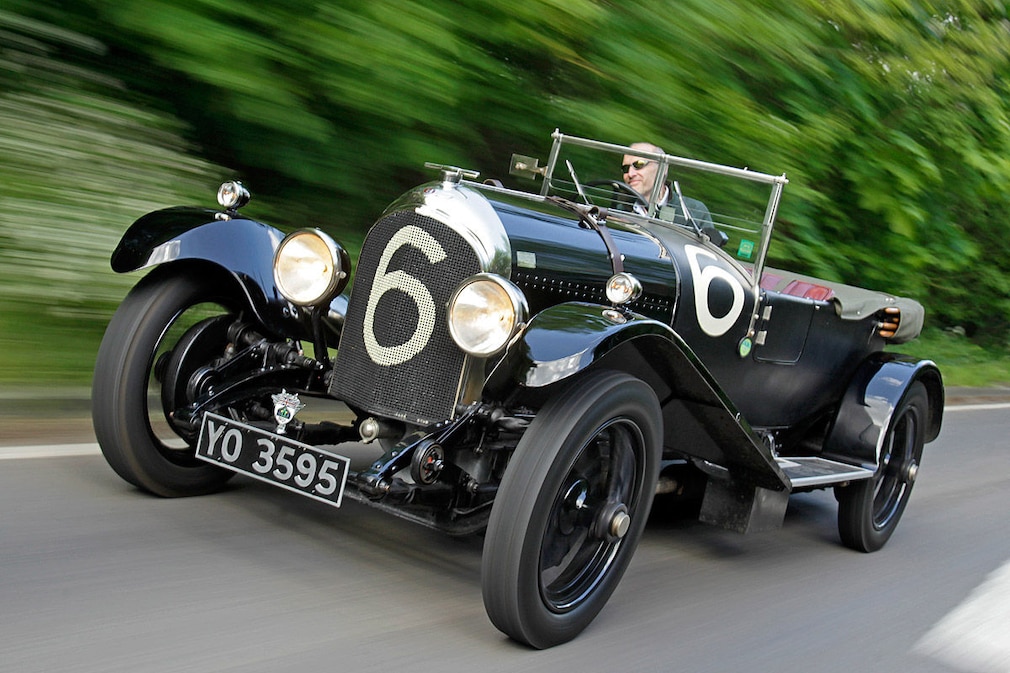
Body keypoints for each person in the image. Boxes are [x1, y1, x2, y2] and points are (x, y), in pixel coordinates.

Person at [621, 142, 715, 232]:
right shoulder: (618, 211)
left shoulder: (694, 211)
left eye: (639, 164)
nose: (630, 174)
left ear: (663, 168)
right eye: (626, 168)